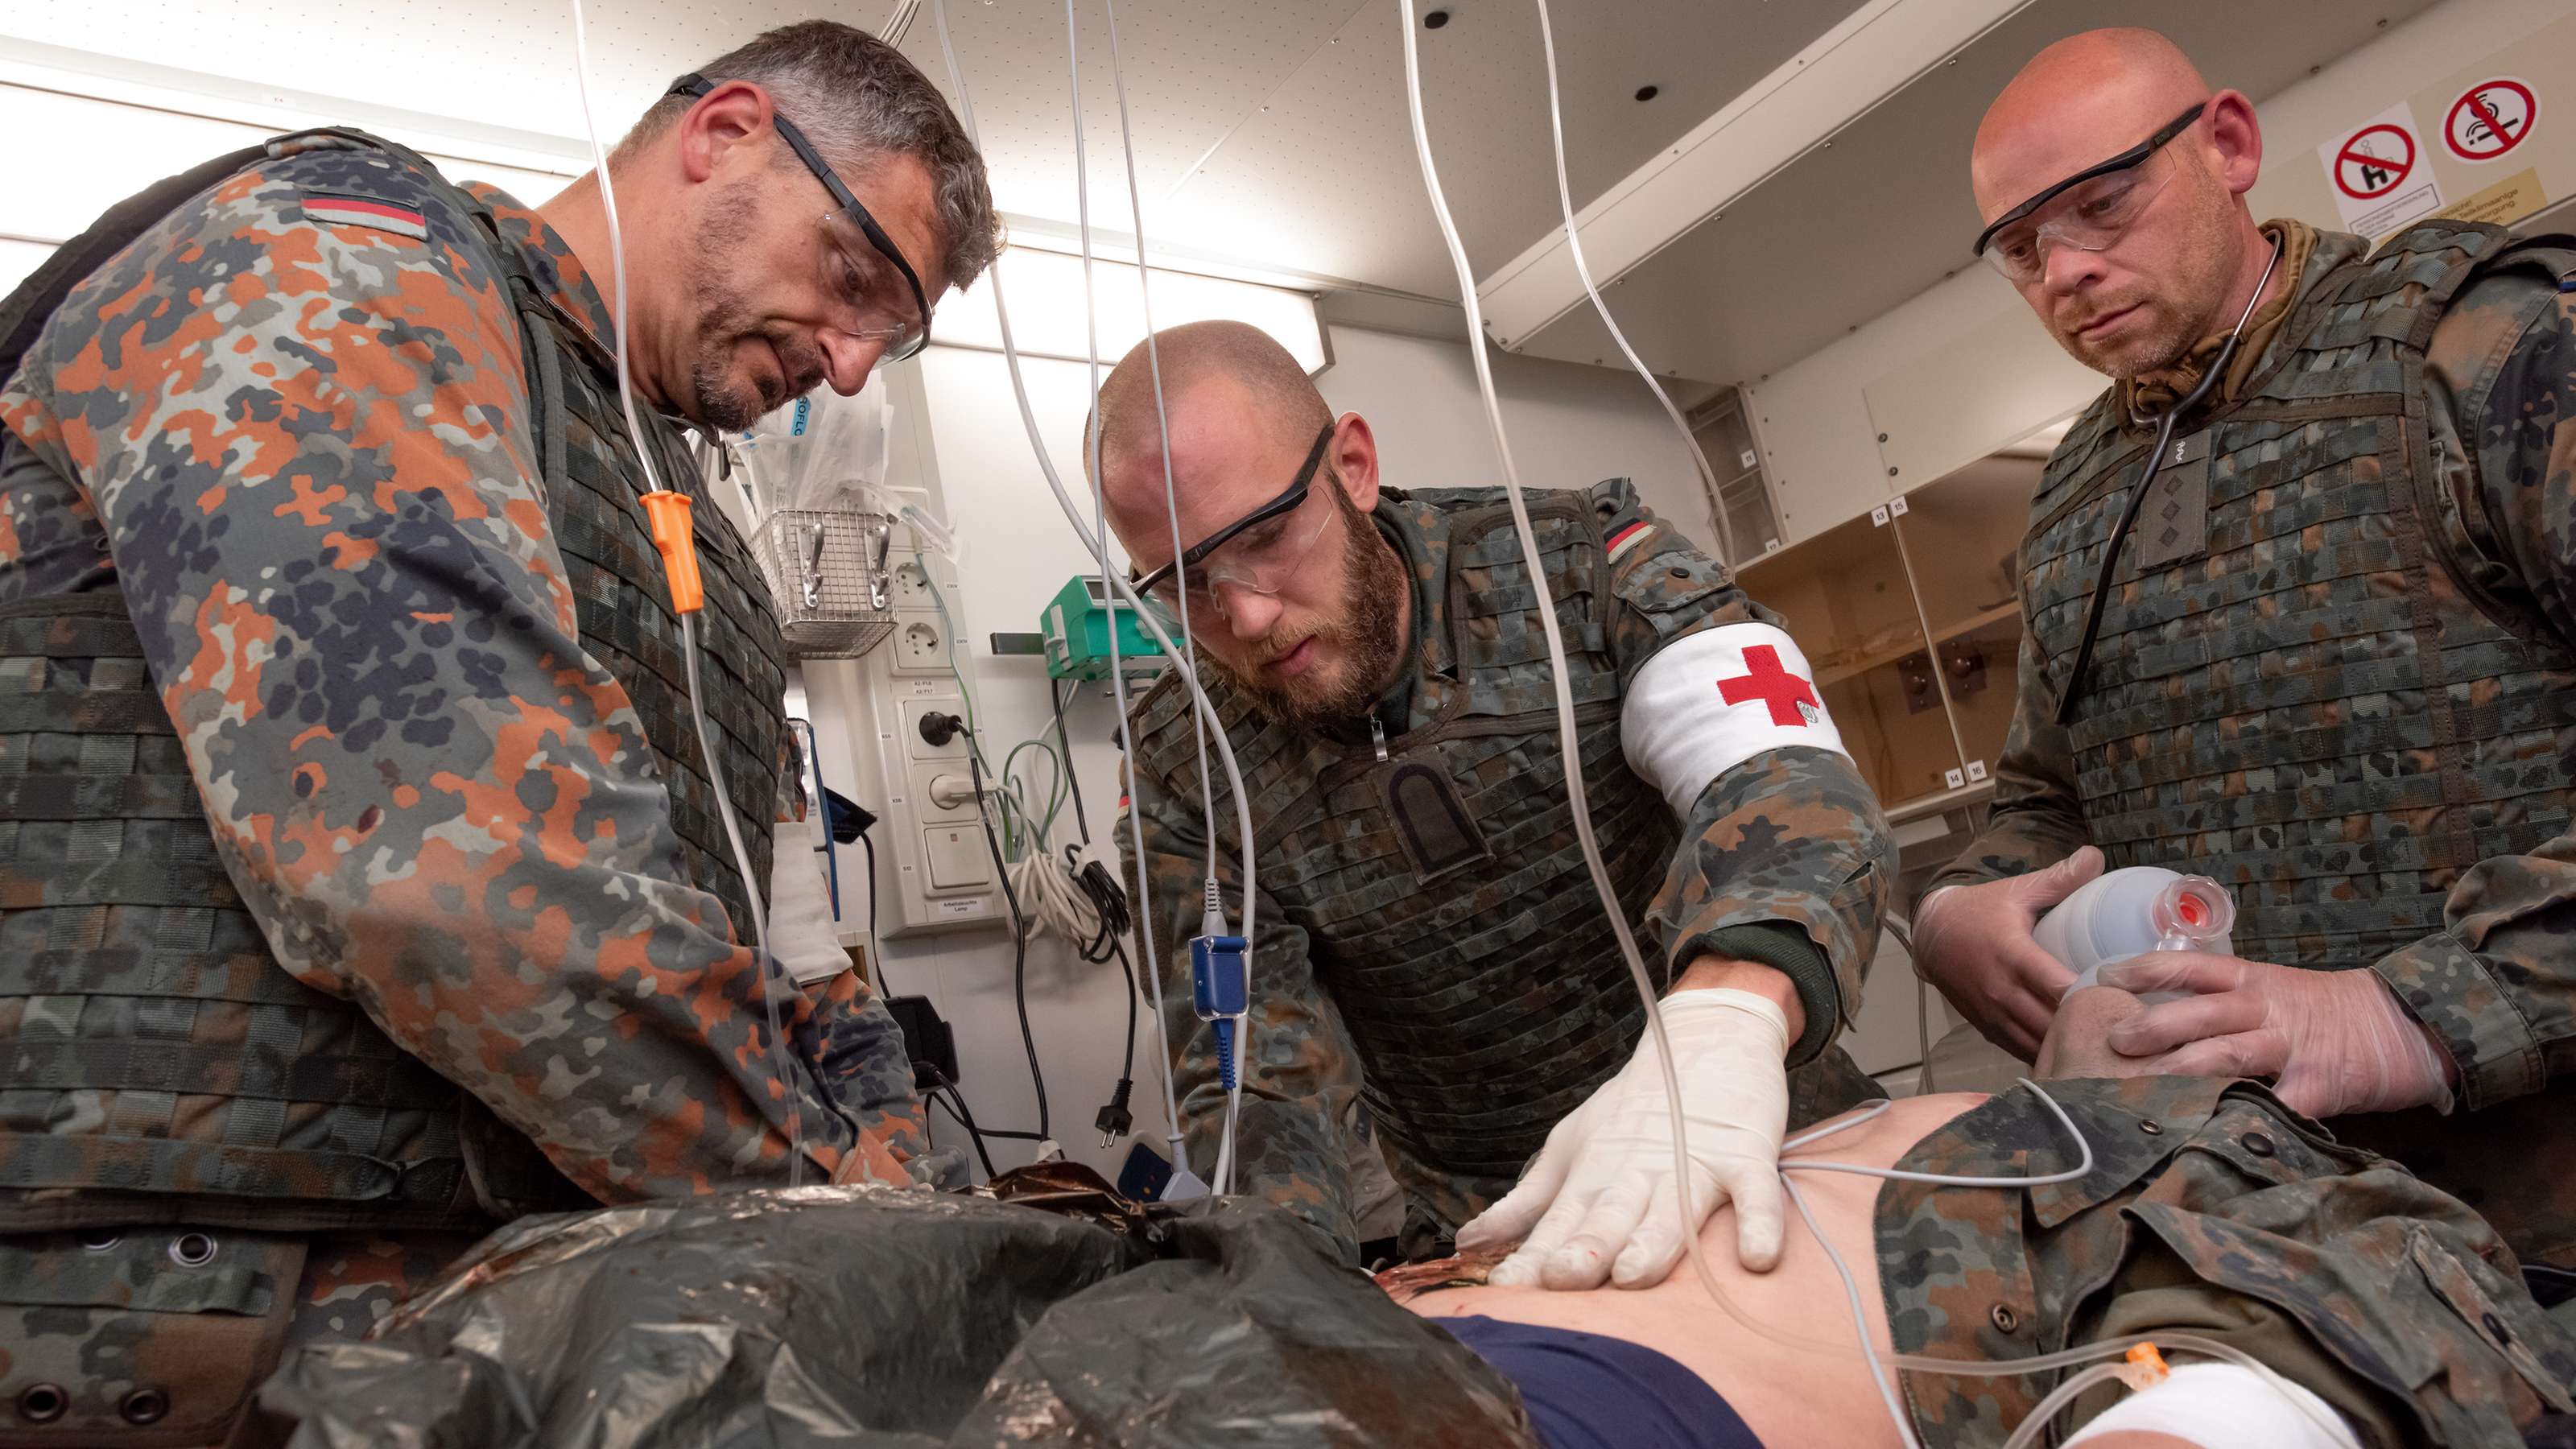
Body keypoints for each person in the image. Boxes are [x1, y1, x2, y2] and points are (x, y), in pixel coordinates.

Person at [0, 19, 999, 1439]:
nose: (848, 368)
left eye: (890, 341)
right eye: (854, 284)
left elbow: (792, 939)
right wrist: (827, 1215)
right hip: (173, 1297)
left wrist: (905, 1191)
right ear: (725, 136)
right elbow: (448, 869)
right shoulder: (347, 254)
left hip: (497, 1310)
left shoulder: (680, 524)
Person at [1909, 24, 2576, 1274]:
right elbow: (2052, 795)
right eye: (2020, 249)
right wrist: (1956, 908)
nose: (2065, 271)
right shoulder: (2075, 494)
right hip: (2293, 1242)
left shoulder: (2483, 345)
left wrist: (2410, 1016)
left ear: (2227, 146)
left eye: (2101, 206)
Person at [1092, 320, 1898, 1285]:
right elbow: (1253, 1082)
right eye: (1185, 585)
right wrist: (1290, 1299)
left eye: (1266, 535)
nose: (1248, 614)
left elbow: (1787, 785)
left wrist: (1723, 1023)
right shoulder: (1187, 766)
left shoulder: (1581, 568)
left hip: (1759, 1141)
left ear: (1351, 464)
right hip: (1496, 1237)